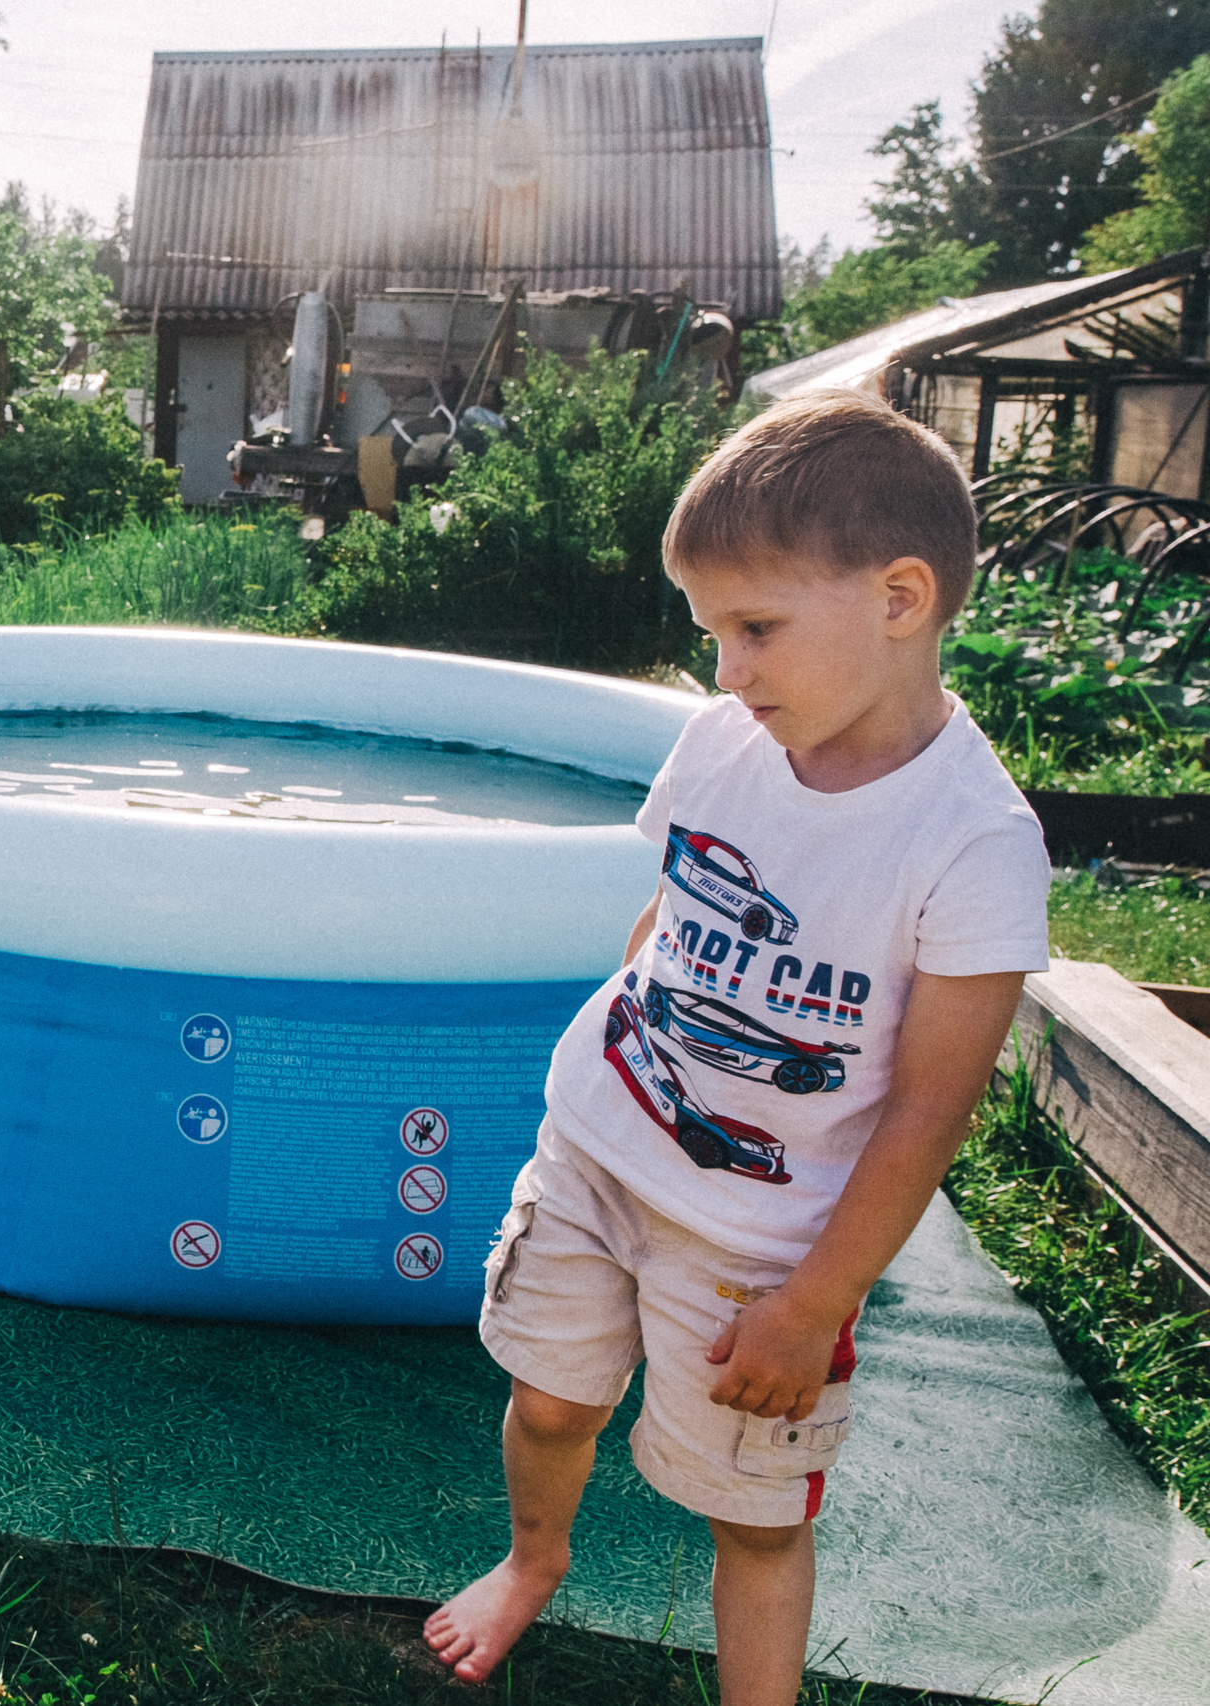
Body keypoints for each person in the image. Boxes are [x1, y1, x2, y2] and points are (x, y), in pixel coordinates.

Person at [424, 390, 1052, 1705]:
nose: (729, 672)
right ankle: (534, 1557)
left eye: (754, 630)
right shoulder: (725, 741)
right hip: (596, 1153)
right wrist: (601, 1065)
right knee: (548, 1403)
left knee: (755, 1514)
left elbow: (929, 1114)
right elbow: (667, 916)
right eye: (714, 636)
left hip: (765, 1244)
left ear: (899, 599)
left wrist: (814, 1301)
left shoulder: (973, 844)